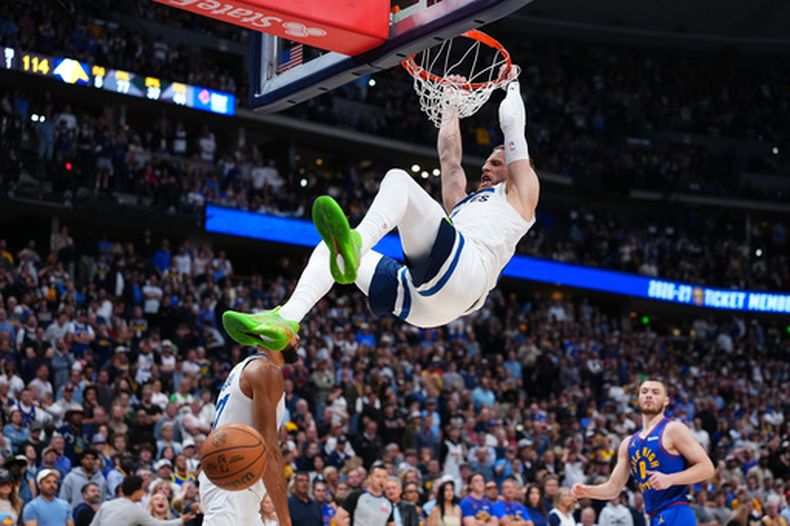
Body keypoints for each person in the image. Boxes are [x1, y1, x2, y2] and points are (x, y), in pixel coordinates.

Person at [221, 68, 538, 346]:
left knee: (399, 180)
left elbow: (514, 131)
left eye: (495, 163)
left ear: (513, 167)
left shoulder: (520, 195)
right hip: (429, 305)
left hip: (468, 272)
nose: (485, 168)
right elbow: (450, 160)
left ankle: (356, 244)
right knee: (329, 246)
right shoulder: (466, 205)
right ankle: (287, 319)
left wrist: (512, 87)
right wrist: (451, 105)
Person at [572, 380, 715, 526]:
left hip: (676, 512)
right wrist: (587, 491)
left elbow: (707, 468)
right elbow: (613, 488)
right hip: (653, 516)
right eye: (644, 392)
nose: (649, 395)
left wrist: (670, 479)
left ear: (666, 401)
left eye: (655, 392)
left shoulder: (673, 429)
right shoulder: (628, 443)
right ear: (638, 398)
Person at [198, 341, 295, 526]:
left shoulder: (241, 368)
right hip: (233, 481)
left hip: (235, 482)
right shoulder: (264, 370)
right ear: (275, 336)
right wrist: (285, 520)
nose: (297, 338)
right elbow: (269, 449)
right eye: (292, 331)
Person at [89, 474, 195, 525]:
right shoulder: (135, 510)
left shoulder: (106, 505)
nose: (144, 493)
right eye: (142, 490)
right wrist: (182, 520)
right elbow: (158, 525)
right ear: (136, 492)